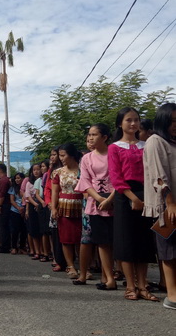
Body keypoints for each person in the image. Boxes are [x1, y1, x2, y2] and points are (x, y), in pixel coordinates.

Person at [108, 107, 157, 302]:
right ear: (120, 123)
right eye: (128, 120)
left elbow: (153, 172)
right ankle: (130, 286)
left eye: (136, 120)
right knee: (126, 241)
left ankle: (143, 285)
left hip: (147, 195)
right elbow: (116, 177)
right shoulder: (114, 147)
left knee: (144, 241)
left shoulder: (147, 145)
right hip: (125, 196)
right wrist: (133, 198)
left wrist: (146, 197)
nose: (133, 123)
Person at [143, 102, 176, 309]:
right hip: (165, 205)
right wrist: (170, 203)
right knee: (170, 249)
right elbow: (159, 177)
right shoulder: (155, 141)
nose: (175, 125)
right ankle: (172, 295)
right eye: (172, 121)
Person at [75, 124, 115, 288]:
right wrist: (99, 199)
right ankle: (109, 278)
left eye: (94, 134)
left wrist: (110, 199)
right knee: (101, 242)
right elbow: (85, 181)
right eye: (89, 134)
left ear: (105, 137)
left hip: (115, 200)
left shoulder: (114, 153)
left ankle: (110, 276)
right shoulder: (86, 158)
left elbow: (120, 179)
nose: (90, 138)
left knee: (114, 240)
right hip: (95, 203)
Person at [51, 143, 83, 279]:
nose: (61, 158)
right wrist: (53, 207)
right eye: (60, 155)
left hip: (81, 207)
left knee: (81, 239)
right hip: (64, 207)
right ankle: (71, 266)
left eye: (63, 155)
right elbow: (55, 192)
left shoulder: (83, 170)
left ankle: (84, 267)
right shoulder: (58, 172)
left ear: (72, 155)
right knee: (66, 239)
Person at [45, 146, 65, 272]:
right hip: (53, 205)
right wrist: (49, 203)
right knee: (55, 234)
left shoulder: (66, 169)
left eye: (54, 154)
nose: (52, 157)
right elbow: (48, 188)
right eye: (51, 154)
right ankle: (59, 260)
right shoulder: (51, 170)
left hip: (65, 203)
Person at [25, 164, 43, 260]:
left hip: (42, 206)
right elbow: (28, 197)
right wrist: (36, 205)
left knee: (42, 230)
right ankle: (37, 251)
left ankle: (44, 250)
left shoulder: (43, 180)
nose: (36, 171)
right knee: (34, 230)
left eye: (38, 169)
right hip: (33, 206)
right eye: (34, 170)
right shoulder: (29, 183)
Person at [8, 172, 27, 254]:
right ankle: (14, 247)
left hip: (24, 210)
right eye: (16, 178)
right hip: (15, 211)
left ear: (23, 178)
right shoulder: (13, 188)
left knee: (24, 230)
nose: (17, 180)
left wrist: (23, 209)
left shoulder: (26, 187)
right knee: (14, 230)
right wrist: (18, 208)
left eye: (19, 178)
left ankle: (22, 247)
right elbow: (12, 200)